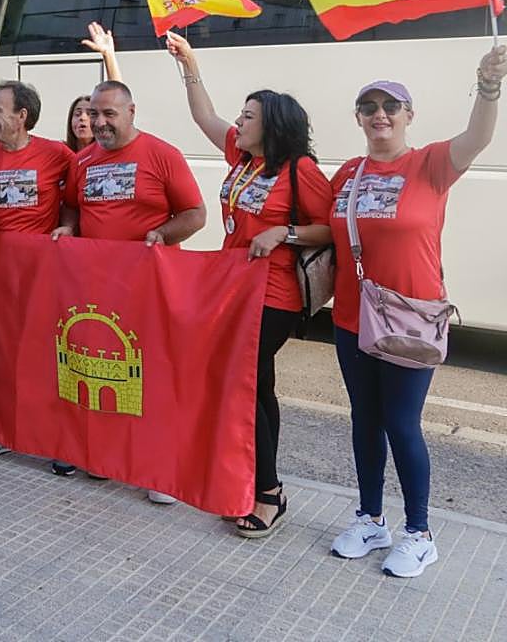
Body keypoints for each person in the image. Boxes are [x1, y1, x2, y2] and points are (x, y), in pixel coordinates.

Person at [326, 45, 506, 576]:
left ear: (409, 115)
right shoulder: (347, 175)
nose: (379, 113)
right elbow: (326, 232)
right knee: (365, 421)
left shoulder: (429, 163)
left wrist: (489, 86)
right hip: (351, 317)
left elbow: (479, 137)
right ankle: (371, 518)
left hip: (409, 321)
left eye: (391, 105)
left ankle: (419, 532)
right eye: (368, 105)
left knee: (402, 425)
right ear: (358, 117)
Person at [166, 30, 334, 535]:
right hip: (233, 288)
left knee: (243, 384)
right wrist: (190, 61)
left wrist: (282, 233)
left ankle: (268, 492)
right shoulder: (242, 159)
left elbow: (329, 228)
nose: (237, 123)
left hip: (276, 295)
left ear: (273, 126)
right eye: (240, 115)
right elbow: (203, 114)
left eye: (248, 117)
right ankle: (257, 483)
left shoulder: (300, 169)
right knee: (256, 388)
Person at [62, 24, 208, 500]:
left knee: (156, 378)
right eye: (93, 114)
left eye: (109, 114)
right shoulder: (83, 163)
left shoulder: (161, 155)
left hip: (150, 288)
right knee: (98, 372)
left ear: (130, 112)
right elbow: (71, 207)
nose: (100, 122)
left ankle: (159, 469)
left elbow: (196, 214)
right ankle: (104, 456)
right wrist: (67, 228)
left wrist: (161, 235)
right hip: (98, 292)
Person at [0, 80, 76, 473]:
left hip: (42, 273)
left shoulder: (56, 154)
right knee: (1, 354)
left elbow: (74, 203)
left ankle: (58, 441)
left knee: (48, 355)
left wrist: (66, 227)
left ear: (21, 116)